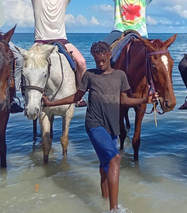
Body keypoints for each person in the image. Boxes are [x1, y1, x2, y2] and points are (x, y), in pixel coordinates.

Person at [43, 41, 156, 212]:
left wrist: (144, 100)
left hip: (112, 127)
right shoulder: (90, 75)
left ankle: (104, 199)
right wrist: (51, 103)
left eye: (103, 60)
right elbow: (75, 97)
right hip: (94, 124)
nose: (100, 64)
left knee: (105, 163)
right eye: (97, 61)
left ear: (110, 55)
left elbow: (124, 100)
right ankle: (114, 209)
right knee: (115, 158)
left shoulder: (120, 76)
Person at [23, 0, 92, 104]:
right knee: (21, 64)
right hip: (40, 43)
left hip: (61, 40)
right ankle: (22, 98)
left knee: (82, 63)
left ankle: (78, 95)